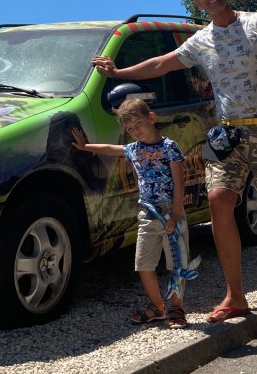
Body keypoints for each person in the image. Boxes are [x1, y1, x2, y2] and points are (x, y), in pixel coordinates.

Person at [91, 0, 257, 338]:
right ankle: (236, 297)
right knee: (218, 201)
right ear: (196, 1)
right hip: (226, 134)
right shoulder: (202, 40)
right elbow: (160, 64)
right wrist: (118, 73)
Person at [71, 97, 192, 329]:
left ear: (151, 118)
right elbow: (111, 149)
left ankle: (176, 309)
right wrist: (86, 147)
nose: (135, 131)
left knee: (176, 264)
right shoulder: (134, 149)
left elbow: (179, 182)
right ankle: (158, 307)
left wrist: (176, 214)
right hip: (147, 215)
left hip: (170, 212)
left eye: (138, 124)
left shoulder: (169, 148)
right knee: (143, 264)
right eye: (129, 129)